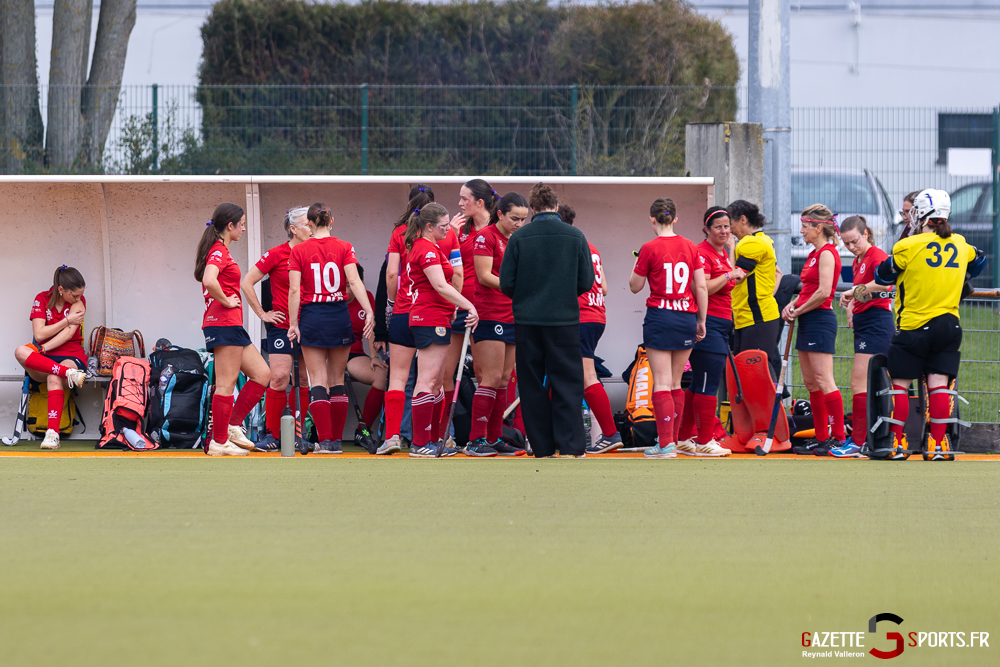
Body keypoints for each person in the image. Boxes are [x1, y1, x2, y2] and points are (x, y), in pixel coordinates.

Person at [874, 189, 986, 460]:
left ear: (922, 214)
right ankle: (937, 445)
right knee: (938, 385)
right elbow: (979, 261)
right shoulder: (960, 243)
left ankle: (898, 443)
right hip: (949, 325)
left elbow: (884, 275)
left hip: (914, 325)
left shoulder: (908, 246)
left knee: (900, 385)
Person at [499, 182, 594, 458]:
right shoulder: (575, 236)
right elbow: (586, 281)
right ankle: (572, 445)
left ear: (532, 208)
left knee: (530, 384)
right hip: (564, 321)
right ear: (555, 206)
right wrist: (564, 294)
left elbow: (506, 283)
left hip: (527, 322)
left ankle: (541, 447)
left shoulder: (519, 238)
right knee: (567, 382)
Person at [287, 202, 374, 454]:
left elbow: (294, 290)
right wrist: (369, 311)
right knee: (337, 381)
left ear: (310, 224)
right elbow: (354, 281)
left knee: (318, 380)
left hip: (313, 315)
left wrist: (293, 323)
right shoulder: (345, 247)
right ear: (332, 221)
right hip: (339, 314)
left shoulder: (300, 250)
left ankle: (325, 441)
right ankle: (336, 440)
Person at [380, 187, 462, 455]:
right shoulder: (446, 234)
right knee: (432, 380)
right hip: (431, 313)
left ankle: (392, 437)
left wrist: (392, 304)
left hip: (404, 312)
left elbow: (392, 274)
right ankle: (433, 439)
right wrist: (455, 305)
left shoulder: (399, 233)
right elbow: (457, 275)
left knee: (398, 378)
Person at [630, 198, 708, 459]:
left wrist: (638, 260)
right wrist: (701, 320)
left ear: (652, 219)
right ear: (675, 219)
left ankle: (666, 445)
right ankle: (671, 441)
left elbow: (634, 286)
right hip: (686, 317)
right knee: (676, 382)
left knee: (661, 382)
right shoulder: (690, 246)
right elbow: (701, 287)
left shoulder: (649, 248)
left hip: (660, 317)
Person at [195, 203, 271, 456]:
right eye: (242, 224)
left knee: (262, 374)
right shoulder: (219, 250)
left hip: (231, 325)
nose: (244, 228)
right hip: (223, 323)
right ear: (230, 226)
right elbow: (209, 279)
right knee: (226, 384)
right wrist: (226, 301)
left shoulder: (221, 249)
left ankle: (231, 425)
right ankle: (218, 443)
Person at [404, 203, 480, 457]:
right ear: (428, 227)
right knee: (427, 381)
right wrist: (468, 304)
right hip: (429, 316)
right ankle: (420, 442)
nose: (448, 230)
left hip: (437, 315)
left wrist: (454, 307)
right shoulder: (424, 247)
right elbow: (439, 285)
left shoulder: (432, 245)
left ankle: (432, 440)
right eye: (443, 226)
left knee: (435, 381)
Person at [240, 207, 312, 451]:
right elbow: (247, 282)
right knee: (279, 377)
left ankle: (298, 434)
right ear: (292, 229)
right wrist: (262, 314)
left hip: (310, 324)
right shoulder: (276, 254)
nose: (311, 229)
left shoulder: (315, 252)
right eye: (306, 225)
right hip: (281, 325)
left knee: (303, 379)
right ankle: (273, 434)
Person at [675, 207, 743, 457]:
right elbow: (702, 288)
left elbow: (726, 282)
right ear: (707, 229)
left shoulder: (722, 252)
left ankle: (683, 438)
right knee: (708, 383)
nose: (724, 231)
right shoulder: (702, 253)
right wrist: (729, 275)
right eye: (718, 227)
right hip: (708, 323)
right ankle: (704, 441)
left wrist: (731, 269)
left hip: (721, 323)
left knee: (698, 384)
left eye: (727, 226)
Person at [466, 192, 529, 457]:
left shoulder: (518, 240)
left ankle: (494, 437)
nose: (519, 224)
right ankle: (475, 440)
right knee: (490, 377)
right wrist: (518, 287)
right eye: (514, 218)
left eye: (523, 219)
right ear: (500, 214)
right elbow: (483, 276)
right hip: (490, 314)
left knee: (504, 379)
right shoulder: (486, 237)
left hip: (512, 315)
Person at [557, 204, 622, 454]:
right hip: (596, 314)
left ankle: (609, 433)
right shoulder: (590, 245)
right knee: (570, 374)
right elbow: (603, 287)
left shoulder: (566, 244)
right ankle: (570, 433)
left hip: (580, 316)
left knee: (587, 376)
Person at [781, 204, 844, 455]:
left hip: (819, 319)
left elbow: (823, 292)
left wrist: (800, 309)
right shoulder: (813, 254)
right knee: (811, 383)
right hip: (808, 318)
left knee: (824, 380)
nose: (802, 231)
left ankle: (838, 437)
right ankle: (821, 437)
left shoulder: (828, 253)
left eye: (806, 227)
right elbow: (807, 290)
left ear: (819, 228)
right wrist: (792, 305)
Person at [444, 179, 498, 442]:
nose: (459, 203)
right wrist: (449, 237)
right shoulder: (459, 230)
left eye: (465, 199)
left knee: (484, 374)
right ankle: (446, 435)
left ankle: (485, 436)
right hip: (458, 307)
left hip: (486, 309)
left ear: (479, 202)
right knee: (445, 373)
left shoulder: (497, 230)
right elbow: (445, 266)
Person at [14, 266, 89, 450]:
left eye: (81, 295)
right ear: (61, 289)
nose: (79, 299)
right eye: (75, 295)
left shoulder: (79, 302)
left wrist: (44, 348)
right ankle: (69, 374)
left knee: (54, 376)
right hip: (46, 358)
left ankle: (52, 434)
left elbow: (67, 335)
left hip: (71, 354)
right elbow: (39, 334)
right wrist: (66, 320)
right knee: (20, 351)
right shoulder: (42, 299)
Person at [836, 215, 893, 457]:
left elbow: (886, 285)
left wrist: (853, 291)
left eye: (854, 241)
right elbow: (861, 292)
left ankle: (858, 441)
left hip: (877, 324)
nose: (850, 247)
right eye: (846, 243)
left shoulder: (877, 256)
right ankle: (864, 440)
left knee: (859, 383)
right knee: (865, 384)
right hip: (865, 324)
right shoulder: (858, 259)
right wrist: (851, 306)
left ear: (866, 234)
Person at [728, 200, 782, 382]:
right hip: (750, 317)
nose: (729, 230)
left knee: (757, 373)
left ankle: (773, 409)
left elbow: (737, 276)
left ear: (743, 219)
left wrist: (730, 248)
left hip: (757, 319)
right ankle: (770, 408)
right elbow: (778, 273)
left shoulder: (750, 243)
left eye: (731, 224)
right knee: (748, 374)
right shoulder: (763, 240)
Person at [345, 264, 388, 434]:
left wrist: (374, 356)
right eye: (346, 284)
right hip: (329, 356)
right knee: (326, 381)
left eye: (353, 284)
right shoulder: (330, 300)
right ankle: (325, 435)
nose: (349, 289)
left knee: (381, 374)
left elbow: (371, 330)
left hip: (353, 355)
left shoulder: (366, 298)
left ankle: (363, 431)